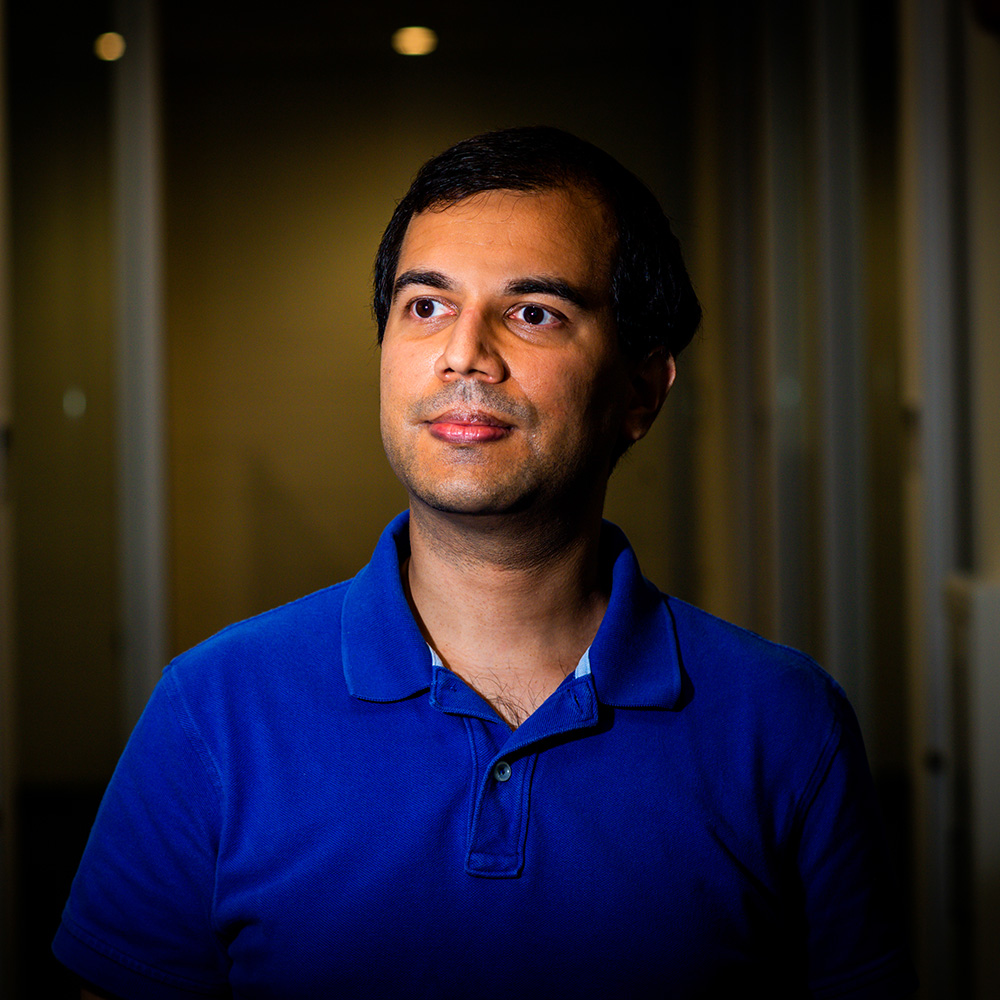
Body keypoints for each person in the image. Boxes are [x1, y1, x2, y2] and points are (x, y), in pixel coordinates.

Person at [54, 126, 916, 999]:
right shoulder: (213, 710)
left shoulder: (785, 723)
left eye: (533, 312)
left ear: (642, 392)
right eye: (425, 306)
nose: (464, 354)